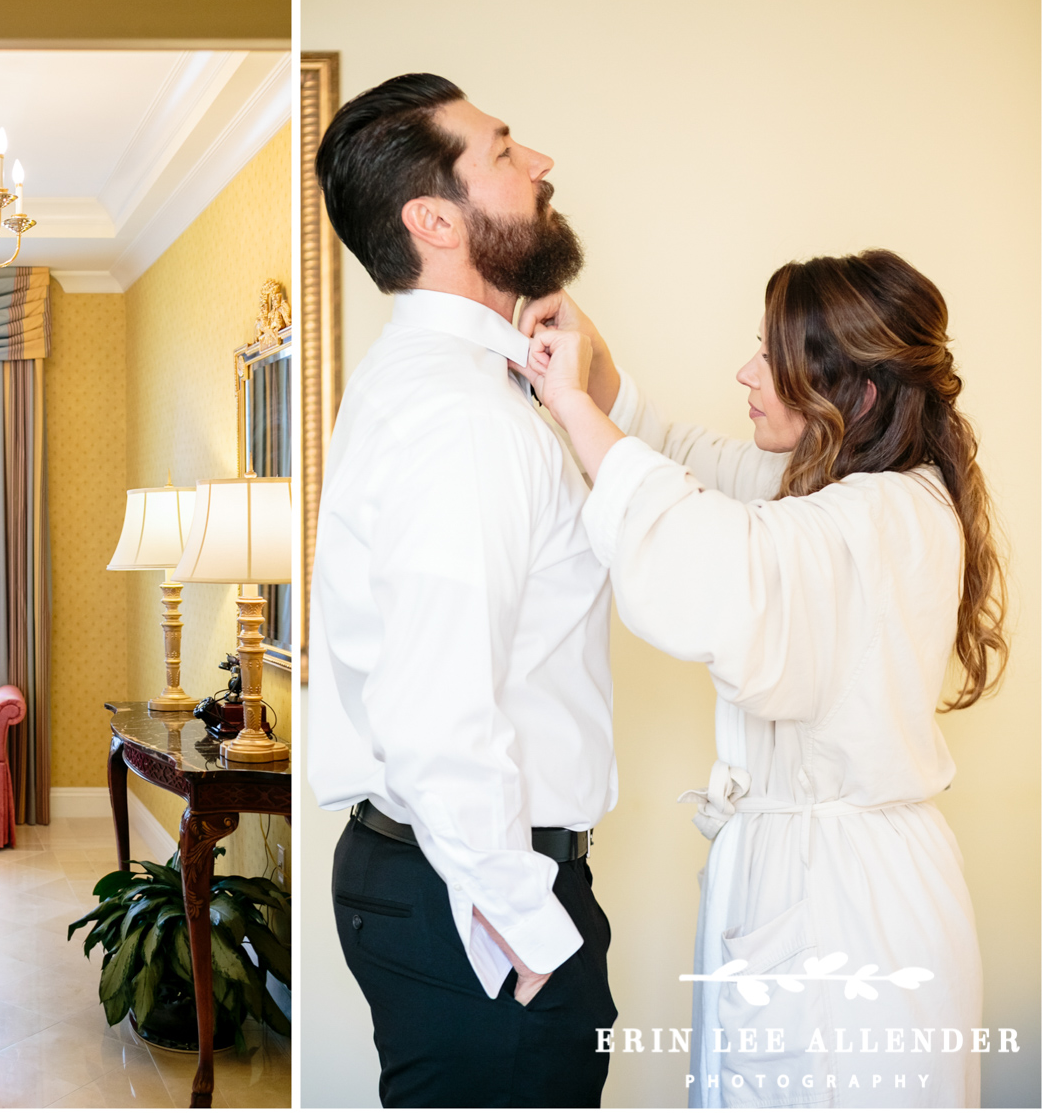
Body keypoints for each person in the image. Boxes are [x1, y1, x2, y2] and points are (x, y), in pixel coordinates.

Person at [517, 250, 1006, 1107]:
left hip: (850, 919)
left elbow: (709, 559)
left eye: (771, 361)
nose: (745, 373)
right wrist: (595, 368)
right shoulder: (836, 487)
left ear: (851, 396)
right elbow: (682, 465)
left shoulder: (880, 518)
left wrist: (563, 400)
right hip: (820, 889)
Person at [307, 73, 617, 1108]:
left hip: (445, 880)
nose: (540, 166)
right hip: (477, 898)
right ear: (436, 218)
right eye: (504, 151)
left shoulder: (457, 387)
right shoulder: (463, 420)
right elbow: (435, 709)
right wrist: (533, 930)